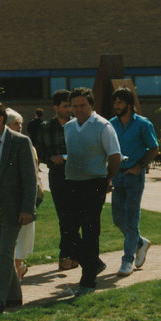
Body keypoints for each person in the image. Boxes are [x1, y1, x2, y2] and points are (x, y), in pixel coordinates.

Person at [0, 100, 38, 313]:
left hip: (11, 207)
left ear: (0, 120)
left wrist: (28, 208)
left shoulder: (20, 142)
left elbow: (30, 178)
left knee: (5, 253)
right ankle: (14, 296)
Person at [64, 87, 121, 296]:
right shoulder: (69, 127)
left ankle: (88, 281)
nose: (78, 110)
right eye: (75, 106)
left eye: (82, 106)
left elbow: (115, 156)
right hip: (72, 183)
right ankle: (93, 262)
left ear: (91, 105)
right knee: (68, 232)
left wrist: (107, 179)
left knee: (90, 231)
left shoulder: (103, 126)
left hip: (94, 183)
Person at [109, 88, 160, 276]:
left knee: (131, 219)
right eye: (115, 103)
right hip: (117, 175)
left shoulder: (143, 124)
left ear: (130, 105)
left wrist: (141, 165)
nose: (116, 106)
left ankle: (127, 260)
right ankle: (140, 243)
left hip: (134, 177)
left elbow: (154, 148)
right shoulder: (111, 124)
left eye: (120, 102)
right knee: (117, 219)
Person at [39, 89, 80, 270]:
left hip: (77, 173)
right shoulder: (46, 127)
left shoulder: (78, 125)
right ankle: (67, 254)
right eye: (65, 106)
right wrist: (50, 158)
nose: (69, 109)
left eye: (70, 106)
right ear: (55, 108)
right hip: (57, 174)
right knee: (64, 216)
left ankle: (71, 254)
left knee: (76, 216)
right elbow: (39, 151)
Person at [6, 108, 44, 280]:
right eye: (15, 124)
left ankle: (18, 267)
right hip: (7, 198)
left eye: (20, 124)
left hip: (26, 197)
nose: (19, 127)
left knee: (23, 233)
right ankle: (17, 267)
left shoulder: (27, 144)